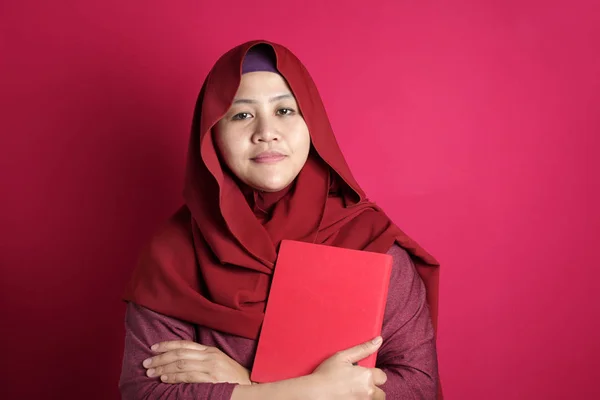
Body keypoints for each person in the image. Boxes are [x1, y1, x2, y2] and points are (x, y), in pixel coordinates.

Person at [119, 40, 441, 399]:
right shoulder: (176, 252)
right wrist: (314, 392)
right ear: (212, 134)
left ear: (312, 122)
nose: (266, 131)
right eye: (241, 115)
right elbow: (145, 393)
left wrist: (247, 384)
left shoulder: (370, 242)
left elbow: (417, 388)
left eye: (285, 110)